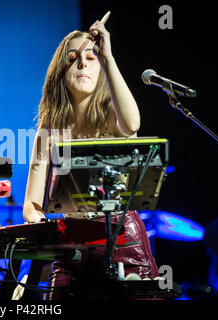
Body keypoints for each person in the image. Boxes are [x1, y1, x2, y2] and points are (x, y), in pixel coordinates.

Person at [22, 19, 159, 299]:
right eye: (73, 59)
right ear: (61, 73)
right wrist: (40, 225)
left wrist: (108, 57)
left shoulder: (113, 114)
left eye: (90, 57)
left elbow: (132, 125)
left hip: (123, 239)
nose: (83, 64)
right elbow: (32, 204)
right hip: (71, 246)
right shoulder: (47, 132)